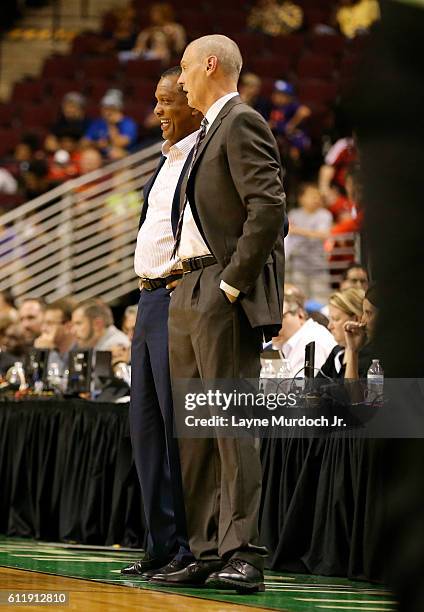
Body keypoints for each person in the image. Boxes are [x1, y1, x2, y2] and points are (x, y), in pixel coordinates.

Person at [151, 34, 285, 593]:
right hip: (189, 287)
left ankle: (243, 551)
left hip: (219, 287)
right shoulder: (208, 130)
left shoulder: (242, 122)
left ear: (210, 66)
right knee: (197, 433)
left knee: (229, 425)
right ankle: (206, 549)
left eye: (184, 69)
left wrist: (232, 283)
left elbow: (269, 207)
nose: (179, 81)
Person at [121, 66, 202, 579]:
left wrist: (196, 274)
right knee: (146, 429)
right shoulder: (165, 160)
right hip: (148, 300)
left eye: (166, 102)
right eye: (155, 101)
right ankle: (158, 544)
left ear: (193, 106)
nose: (157, 112)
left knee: (177, 429)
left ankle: (188, 549)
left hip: (178, 297)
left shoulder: (205, 155)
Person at [285, 182, 333, 304]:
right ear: (301, 198)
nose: (316, 199)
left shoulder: (324, 215)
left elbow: (323, 234)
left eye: (317, 196)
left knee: (321, 302)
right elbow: (288, 232)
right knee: (299, 301)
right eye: (312, 196)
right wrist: (309, 233)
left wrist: (297, 231)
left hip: (319, 266)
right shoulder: (293, 214)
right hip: (298, 266)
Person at [270, 292, 336, 376]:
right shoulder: (284, 343)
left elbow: (307, 387)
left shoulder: (314, 338)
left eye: (278, 319)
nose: (271, 326)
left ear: (300, 315)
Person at [317, 287, 366, 378]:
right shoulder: (337, 352)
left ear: (356, 319)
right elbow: (313, 389)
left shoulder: (369, 359)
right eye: (329, 319)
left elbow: (353, 392)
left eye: (335, 319)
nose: (329, 326)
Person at [120, 3, 186, 64]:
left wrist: (170, 39)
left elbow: (179, 47)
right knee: (122, 56)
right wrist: (141, 46)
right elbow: (140, 45)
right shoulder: (150, 29)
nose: (153, 15)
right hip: (149, 54)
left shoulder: (176, 28)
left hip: (163, 56)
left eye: (156, 13)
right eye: (152, 13)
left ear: (164, 13)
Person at [82, 89, 138, 158]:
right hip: (100, 155)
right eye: (105, 108)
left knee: (115, 153)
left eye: (111, 108)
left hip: (125, 156)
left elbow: (119, 143)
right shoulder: (97, 123)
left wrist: (111, 124)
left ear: (118, 109)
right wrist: (97, 144)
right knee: (89, 154)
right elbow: (84, 143)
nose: (107, 112)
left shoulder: (128, 123)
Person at [343, 283, 379, 379]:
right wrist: (353, 351)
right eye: (363, 313)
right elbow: (354, 393)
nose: (363, 320)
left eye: (369, 313)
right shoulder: (374, 350)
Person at [34, 298, 76, 374]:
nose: (43, 328)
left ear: (68, 327)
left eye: (49, 323)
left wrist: (50, 352)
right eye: (43, 323)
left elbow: (60, 382)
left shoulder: (79, 351)